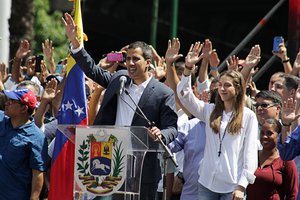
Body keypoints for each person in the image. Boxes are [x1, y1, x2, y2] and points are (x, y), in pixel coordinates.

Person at [63, 13, 178, 200]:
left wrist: (161, 134)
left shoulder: (162, 93)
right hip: (113, 161)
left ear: (148, 63)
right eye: (128, 59)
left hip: (144, 168)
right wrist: (76, 44)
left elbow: (172, 128)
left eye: (136, 59)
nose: (130, 63)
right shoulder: (119, 79)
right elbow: (92, 69)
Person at [176, 41, 258, 200]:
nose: (222, 89)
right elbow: (185, 96)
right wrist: (187, 69)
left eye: (227, 85)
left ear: (238, 89)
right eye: (220, 85)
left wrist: (242, 185)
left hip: (232, 186)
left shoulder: (248, 116)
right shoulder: (210, 110)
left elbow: (250, 154)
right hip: (206, 183)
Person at [0, 88, 48, 199]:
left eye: (12, 101)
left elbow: (37, 173)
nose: (6, 103)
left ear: (24, 108)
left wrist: (34, 198)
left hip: (14, 196)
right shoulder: (2, 119)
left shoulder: (36, 137)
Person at [246, 119, 298, 200]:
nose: (264, 136)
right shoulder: (251, 157)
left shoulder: (286, 161)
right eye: (262, 133)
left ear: (278, 135)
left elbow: (292, 194)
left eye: (269, 133)